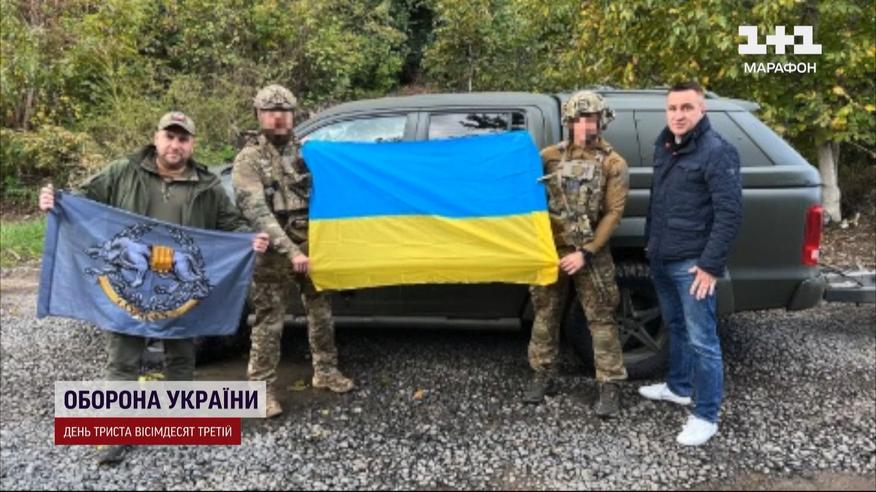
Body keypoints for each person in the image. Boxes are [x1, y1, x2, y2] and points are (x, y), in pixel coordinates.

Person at [39, 111, 269, 464]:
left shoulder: (207, 185)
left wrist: (249, 239)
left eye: (183, 139)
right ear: (156, 138)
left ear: (192, 144)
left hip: (177, 292)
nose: (175, 145)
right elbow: (79, 199)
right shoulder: (123, 171)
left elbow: (231, 224)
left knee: (181, 356)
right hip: (128, 289)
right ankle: (115, 432)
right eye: (169, 137)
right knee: (123, 359)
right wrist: (53, 200)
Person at [232, 84, 354, 419]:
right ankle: (261, 390)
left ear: (293, 114)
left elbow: (337, 187)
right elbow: (257, 211)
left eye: (284, 111)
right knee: (270, 320)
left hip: (311, 245)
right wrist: (291, 252)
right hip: (274, 251)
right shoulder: (248, 159)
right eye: (271, 111)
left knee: (321, 310)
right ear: (259, 115)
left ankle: (325, 370)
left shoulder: (310, 152)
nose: (278, 117)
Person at [638, 81, 742, 446]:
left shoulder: (717, 151)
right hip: (662, 257)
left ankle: (705, 416)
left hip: (693, 264)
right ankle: (679, 387)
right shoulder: (665, 146)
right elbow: (660, 202)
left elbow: (730, 214)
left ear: (702, 109)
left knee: (703, 341)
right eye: (673, 108)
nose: (678, 115)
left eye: (686, 107)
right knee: (677, 327)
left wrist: (710, 265)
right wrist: (650, 245)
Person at [523, 91, 629, 417]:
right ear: (568, 122)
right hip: (551, 250)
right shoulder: (549, 157)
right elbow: (523, 192)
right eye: (578, 120)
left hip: (590, 253)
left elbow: (613, 213)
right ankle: (543, 374)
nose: (585, 126)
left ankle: (610, 385)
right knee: (545, 314)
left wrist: (587, 251)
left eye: (591, 119)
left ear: (601, 121)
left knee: (601, 319)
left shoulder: (613, 163)